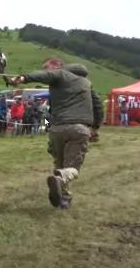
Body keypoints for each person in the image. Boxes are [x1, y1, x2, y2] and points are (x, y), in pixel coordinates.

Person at [8, 58, 98, 209]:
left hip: (57, 129)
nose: (46, 71)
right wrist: (95, 127)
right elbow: (97, 106)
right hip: (79, 129)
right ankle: (61, 181)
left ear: (58, 66)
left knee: (60, 165)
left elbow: (43, 76)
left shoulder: (60, 74)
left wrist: (24, 78)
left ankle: (65, 198)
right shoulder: (86, 83)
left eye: (48, 68)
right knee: (71, 168)